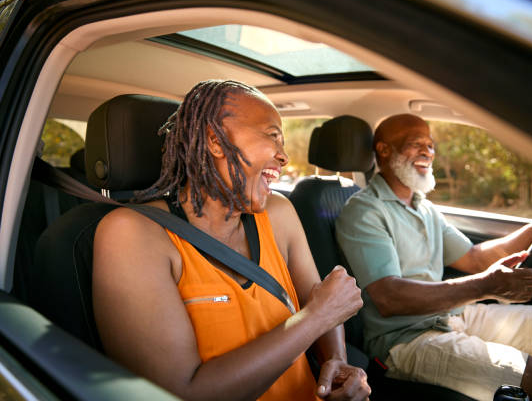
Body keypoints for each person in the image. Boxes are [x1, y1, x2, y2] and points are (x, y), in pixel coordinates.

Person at [92, 80, 371, 401]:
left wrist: (336, 362)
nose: (284, 156)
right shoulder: (132, 234)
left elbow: (317, 298)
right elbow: (182, 392)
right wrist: (317, 317)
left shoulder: (279, 213)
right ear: (215, 140)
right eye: (271, 135)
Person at [335, 113, 532, 401]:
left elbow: (473, 258)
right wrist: (485, 286)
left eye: (431, 145)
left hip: (452, 316)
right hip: (406, 340)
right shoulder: (365, 211)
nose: (428, 152)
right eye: (416, 144)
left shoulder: (424, 207)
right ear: (384, 150)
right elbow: (390, 297)